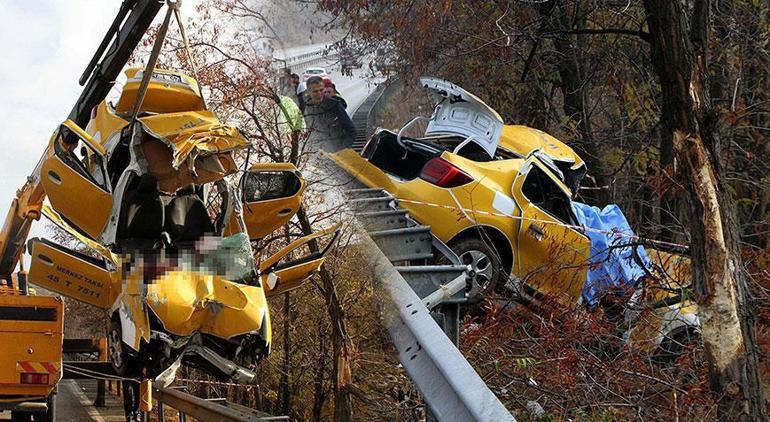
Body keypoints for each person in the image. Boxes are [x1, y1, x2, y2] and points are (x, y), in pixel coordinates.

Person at [303, 76, 356, 151]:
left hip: (337, 151)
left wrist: (342, 149)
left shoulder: (334, 105)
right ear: (308, 92)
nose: (319, 93)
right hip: (316, 154)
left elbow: (351, 130)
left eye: (321, 90)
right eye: (315, 91)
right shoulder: (305, 108)